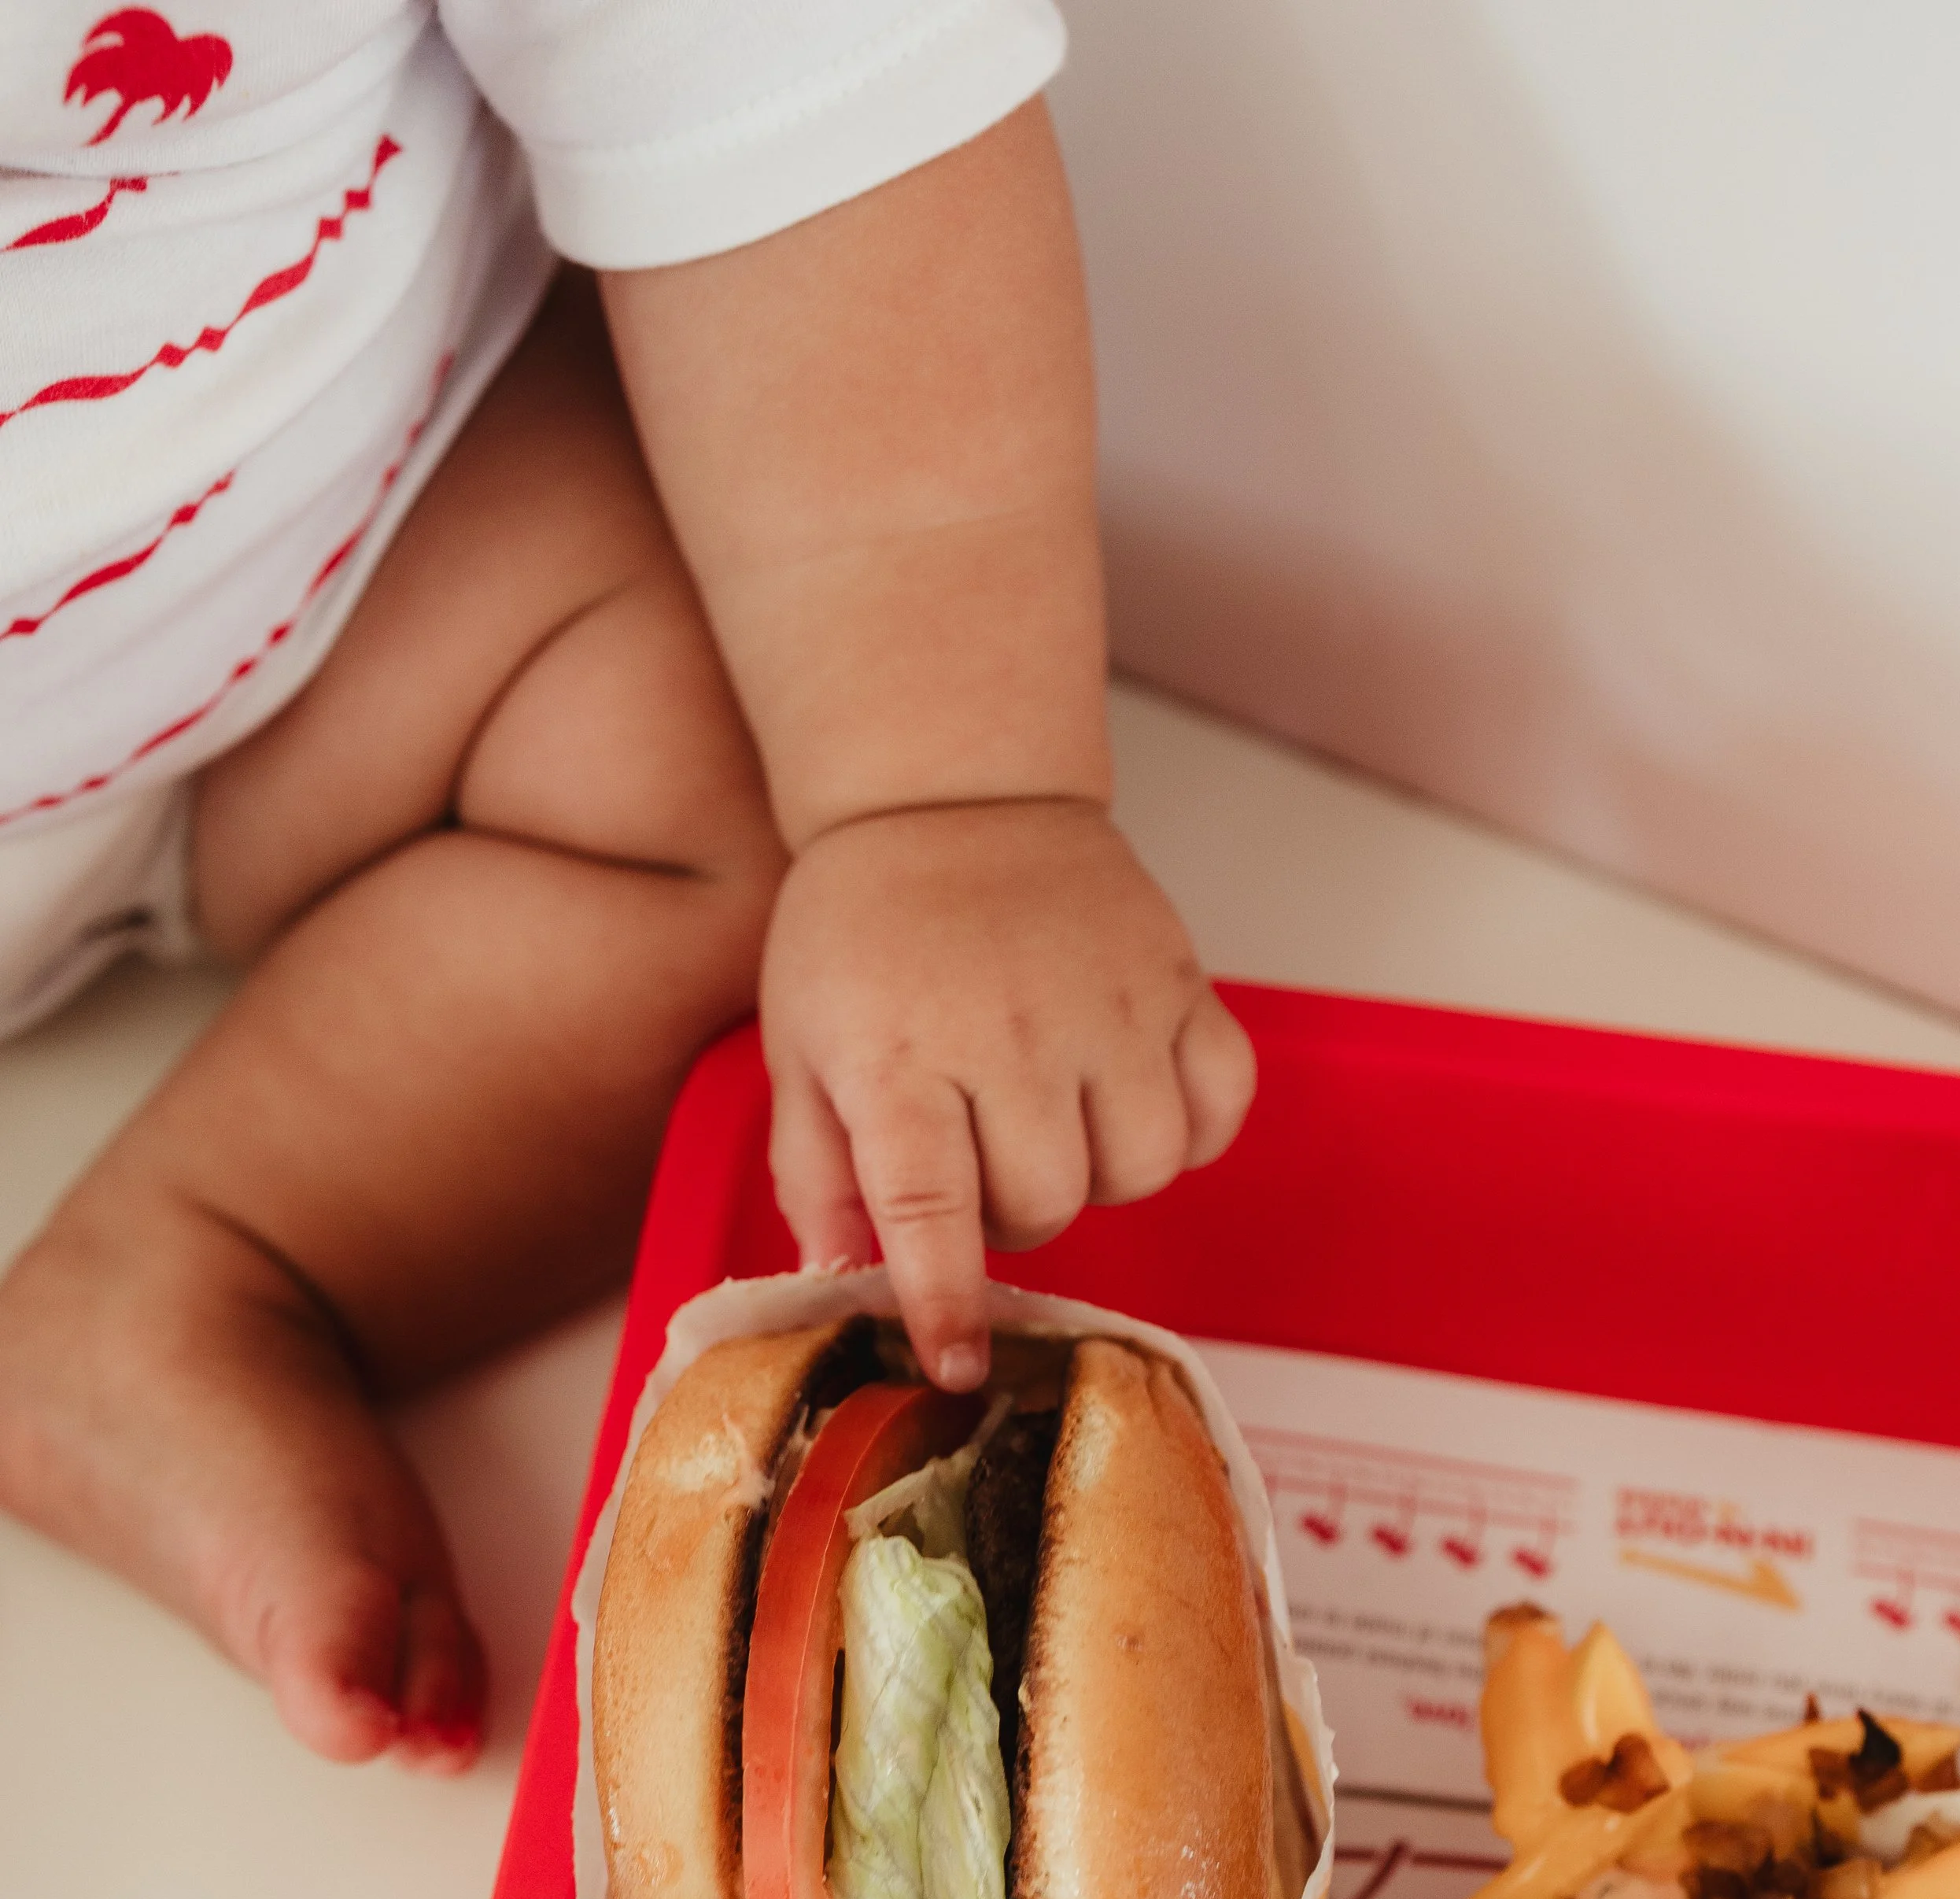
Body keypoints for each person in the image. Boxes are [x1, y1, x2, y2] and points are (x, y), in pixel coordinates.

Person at [0, 2, 1255, 1772]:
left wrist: (947, 800)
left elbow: (794, 101)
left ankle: (203, 1260)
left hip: (336, 599)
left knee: (756, 793)